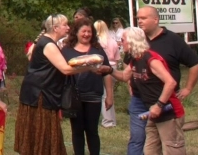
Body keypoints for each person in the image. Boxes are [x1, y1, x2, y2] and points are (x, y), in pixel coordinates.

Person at [14, 14, 110, 155]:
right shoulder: (48, 44)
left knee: (45, 133)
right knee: (43, 132)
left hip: (41, 94)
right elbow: (65, 69)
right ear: (55, 28)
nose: (68, 27)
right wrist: (89, 66)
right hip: (40, 96)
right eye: (65, 24)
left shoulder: (47, 42)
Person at [126, 5, 198, 155]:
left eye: (143, 18)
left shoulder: (172, 40)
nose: (139, 21)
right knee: (139, 140)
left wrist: (187, 88)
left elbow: (195, 64)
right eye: (138, 18)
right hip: (140, 99)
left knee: (171, 146)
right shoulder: (139, 40)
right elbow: (128, 68)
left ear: (156, 19)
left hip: (164, 101)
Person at [112, 27, 186, 154]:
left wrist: (159, 105)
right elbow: (125, 76)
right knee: (150, 151)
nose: (120, 43)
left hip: (168, 112)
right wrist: (107, 70)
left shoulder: (151, 59)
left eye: (122, 40)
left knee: (172, 150)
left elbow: (171, 82)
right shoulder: (135, 59)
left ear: (131, 41)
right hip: (153, 112)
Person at [60, 17, 112, 155]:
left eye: (89, 32)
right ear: (76, 32)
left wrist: (110, 96)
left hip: (93, 94)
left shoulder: (98, 50)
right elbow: (61, 71)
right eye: (83, 31)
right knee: (77, 130)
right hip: (74, 96)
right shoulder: (66, 50)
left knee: (92, 130)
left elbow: (107, 74)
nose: (86, 34)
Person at [95, 19, 119, 128]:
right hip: (113, 66)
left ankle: (108, 121)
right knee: (109, 94)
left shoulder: (98, 42)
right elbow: (117, 57)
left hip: (103, 67)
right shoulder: (112, 41)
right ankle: (111, 119)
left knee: (104, 95)